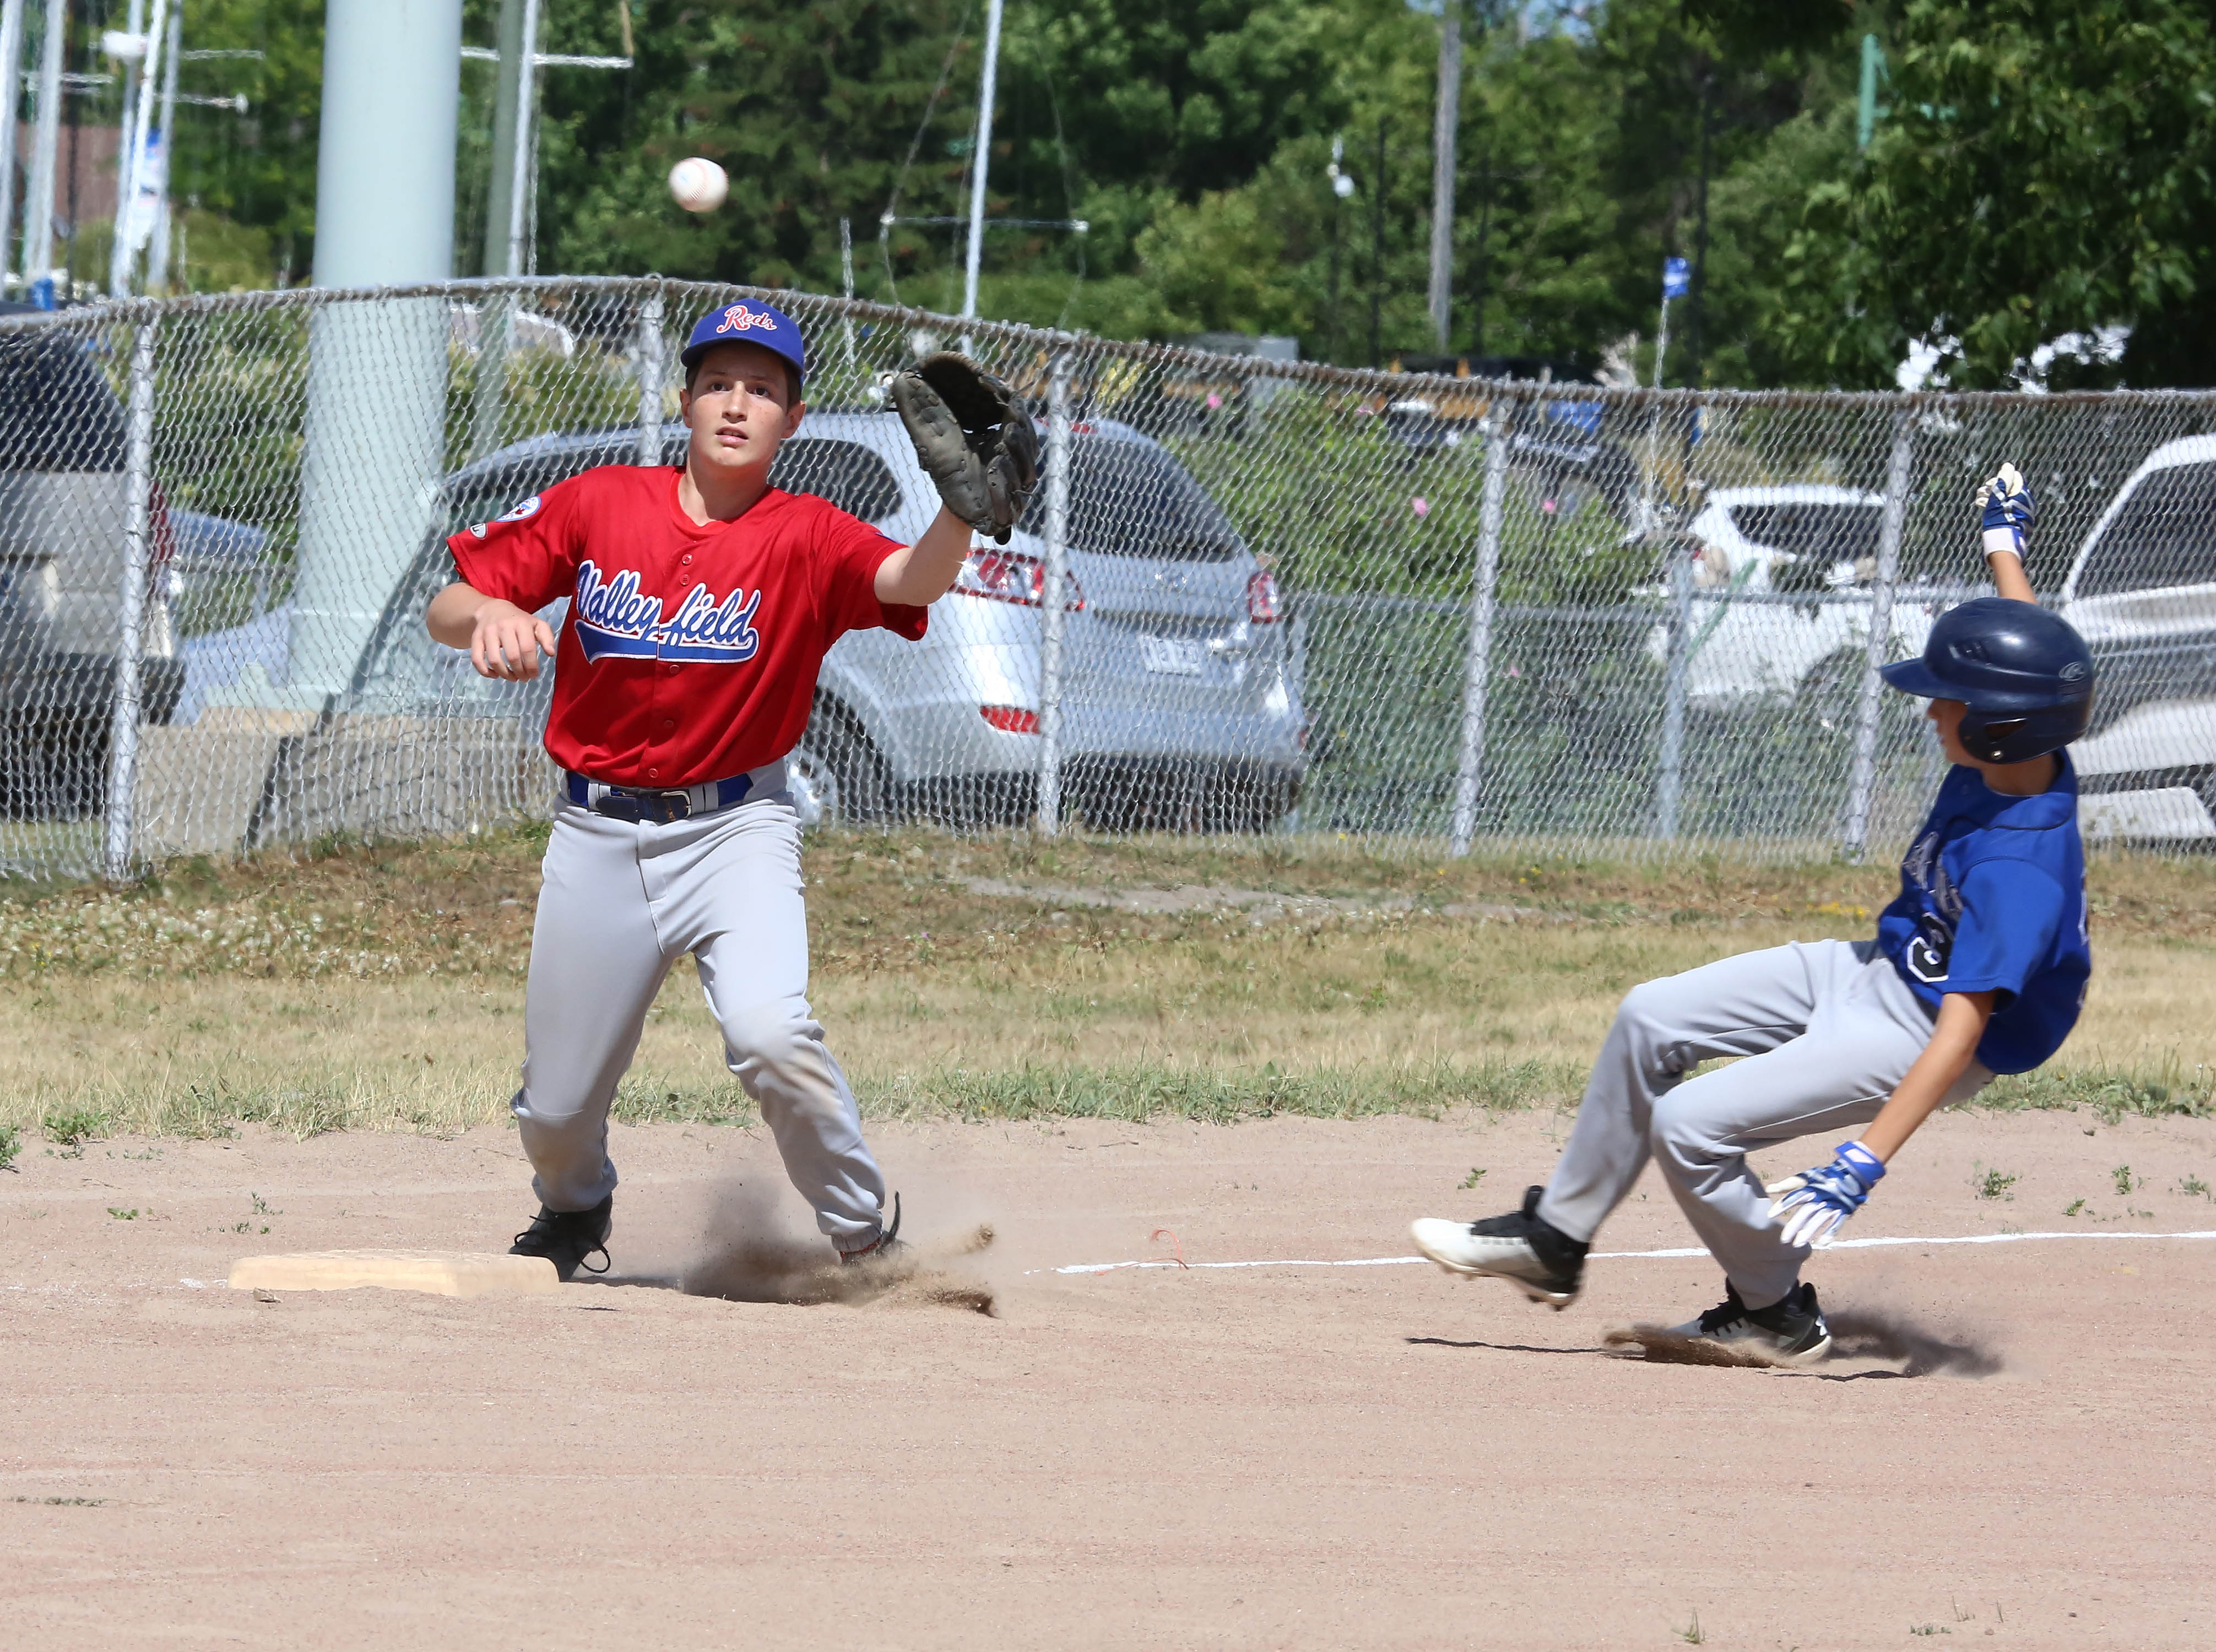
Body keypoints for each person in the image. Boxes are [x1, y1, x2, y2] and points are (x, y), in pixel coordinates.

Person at [1408, 463, 2094, 1363]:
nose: (1929, 710)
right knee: (1651, 1015)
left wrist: (1864, 1162)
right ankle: (1554, 1242)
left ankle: (1771, 1310)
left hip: (1926, 1026)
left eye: (1947, 699)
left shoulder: (2020, 873)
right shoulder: (2011, 751)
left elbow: (1960, 1037)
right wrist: (2005, 548)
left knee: (1691, 1125)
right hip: (1884, 967)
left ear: (2001, 724)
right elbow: (2031, 653)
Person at [424, 301, 1036, 1279]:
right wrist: (491, 614)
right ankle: (576, 1210)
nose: (737, 403)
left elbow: (910, 583)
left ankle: (865, 1241)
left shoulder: (808, 534)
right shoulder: (600, 502)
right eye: (718, 383)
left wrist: (959, 513)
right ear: (685, 402)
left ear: (792, 419)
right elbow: (448, 600)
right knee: (555, 1110)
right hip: (597, 833)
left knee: (770, 1031)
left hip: (736, 830)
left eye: (762, 388)